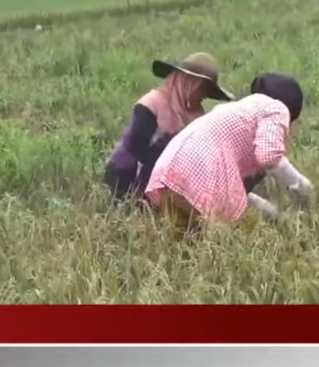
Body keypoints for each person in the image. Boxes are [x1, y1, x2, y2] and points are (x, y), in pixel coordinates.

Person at [145, 72, 312, 239]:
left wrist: (271, 211)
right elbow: (268, 156)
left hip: (169, 170)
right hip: (200, 171)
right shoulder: (276, 108)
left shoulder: (233, 111)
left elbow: (235, 192)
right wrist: (302, 185)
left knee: (186, 242)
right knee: (248, 237)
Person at [104, 52, 234, 204]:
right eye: (203, 88)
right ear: (190, 83)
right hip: (128, 181)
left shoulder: (196, 115)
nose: (205, 95)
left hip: (163, 187)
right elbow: (135, 155)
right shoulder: (151, 104)